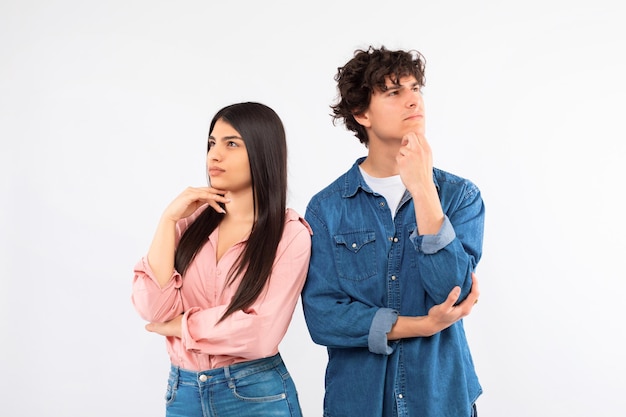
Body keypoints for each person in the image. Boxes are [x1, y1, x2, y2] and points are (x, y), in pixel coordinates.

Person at [301, 46, 485, 417]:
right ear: (361, 113)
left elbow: (454, 291)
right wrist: (421, 325)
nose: (413, 101)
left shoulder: (459, 196)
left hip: (439, 399)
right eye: (394, 92)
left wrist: (422, 191)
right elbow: (323, 317)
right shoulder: (326, 208)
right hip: (358, 402)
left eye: (415, 89)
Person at [132, 102, 312, 417]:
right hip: (183, 392)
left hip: (256, 396)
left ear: (262, 152)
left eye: (231, 144)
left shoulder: (290, 235)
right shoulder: (187, 224)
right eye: (212, 143)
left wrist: (182, 327)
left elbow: (260, 334)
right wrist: (167, 219)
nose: (214, 155)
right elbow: (153, 309)